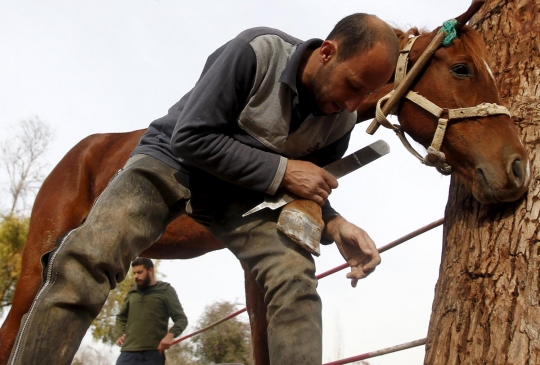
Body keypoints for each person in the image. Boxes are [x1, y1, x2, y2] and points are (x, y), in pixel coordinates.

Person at [8, 13, 399, 365]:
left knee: (294, 276)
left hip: (245, 195)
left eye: (364, 94)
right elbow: (191, 137)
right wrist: (282, 170)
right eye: (351, 85)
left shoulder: (341, 121)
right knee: (86, 260)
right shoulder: (256, 51)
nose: (351, 103)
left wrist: (335, 223)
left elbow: (303, 186)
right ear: (327, 52)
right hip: (173, 164)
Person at [114, 258, 188, 365]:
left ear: (150, 271)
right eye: (134, 273)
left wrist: (170, 335)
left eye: (139, 272)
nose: (136, 276)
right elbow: (121, 317)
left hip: (153, 354)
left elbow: (181, 319)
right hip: (128, 352)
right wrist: (119, 333)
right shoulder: (132, 292)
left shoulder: (165, 290)